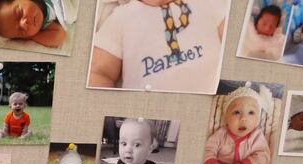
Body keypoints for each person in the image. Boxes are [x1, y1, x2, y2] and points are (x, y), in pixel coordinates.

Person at [88, 0, 226, 94]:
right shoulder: (122, 17)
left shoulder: (208, 2)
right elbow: (99, 72)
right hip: (148, 112)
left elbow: (231, 39)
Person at [203, 84, 272, 164]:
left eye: (251, 112)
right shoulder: (221, 134)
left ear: (257, 120)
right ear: (226, 118)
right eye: (236, 112)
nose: (243, 118)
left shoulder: (256, 136)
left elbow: (263, 157)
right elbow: (207, 149)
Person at [0, 0, 70, 49]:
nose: (24, 24)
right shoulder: (46, 24)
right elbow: (60, 36)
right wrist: (32, 36)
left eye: (19, 13)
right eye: (21, 32)